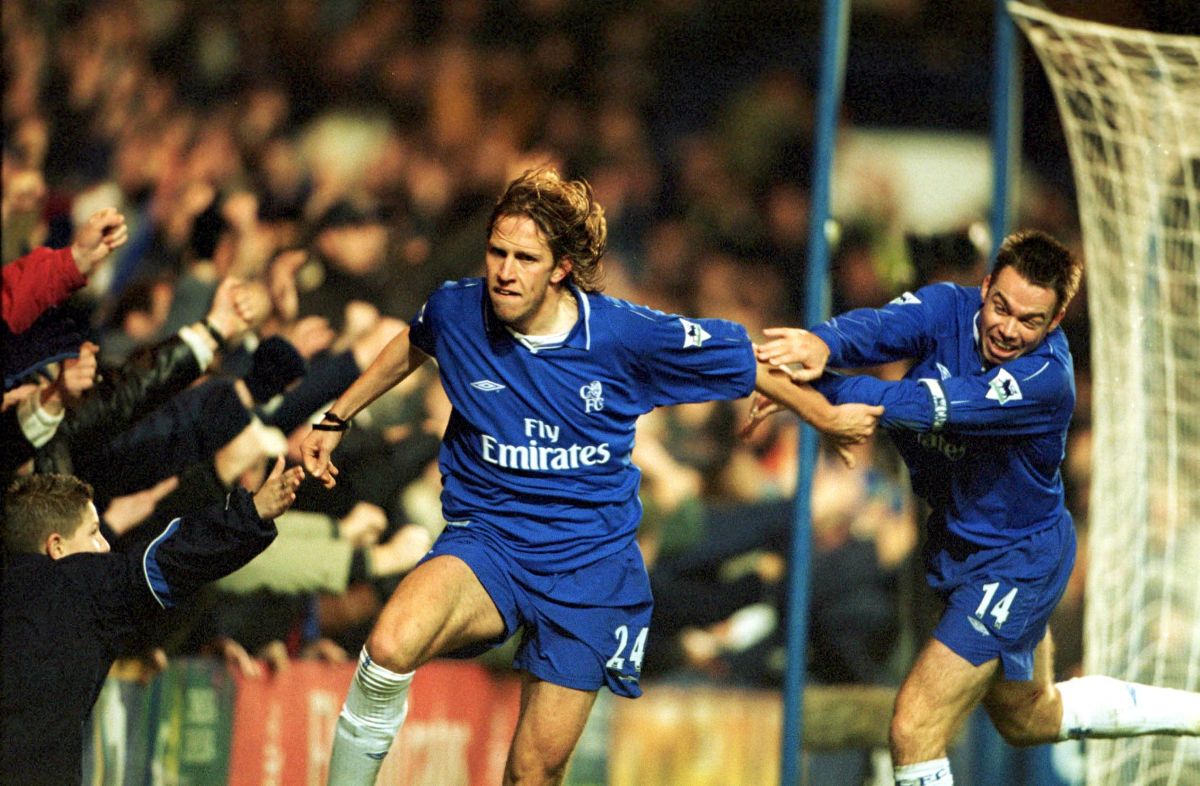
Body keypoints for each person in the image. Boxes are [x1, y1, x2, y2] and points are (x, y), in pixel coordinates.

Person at [301, 166, 881, 786]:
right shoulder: (457, 309)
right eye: (497, 252)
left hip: (589, 571)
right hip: (488, 544)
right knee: (388, 647)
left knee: (534, 771)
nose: (504, 270)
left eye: (525, 257)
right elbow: (413, 343)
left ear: (560, 268)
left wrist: (825, 416)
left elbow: (743, 356)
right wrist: (338, 415)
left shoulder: (624, 334)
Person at [749, 229, 1200, 786]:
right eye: (1000, 306)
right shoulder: (946, 306)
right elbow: (877, 329)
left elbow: (921, 406)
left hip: (1018, 561)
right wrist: (820, 346)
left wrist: (810, 390)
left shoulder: (1044, 381)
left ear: (1054, 322)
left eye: (1030, 321)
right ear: (985, 287)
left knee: (914, 727)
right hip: (960, 549)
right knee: (1030, 717)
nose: (1008, 329)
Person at [0, 459, 304, 786]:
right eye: (93, 533)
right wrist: (252, 513)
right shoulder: (76, 585)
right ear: (56, 546)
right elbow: (167, 561)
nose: (105, 545)